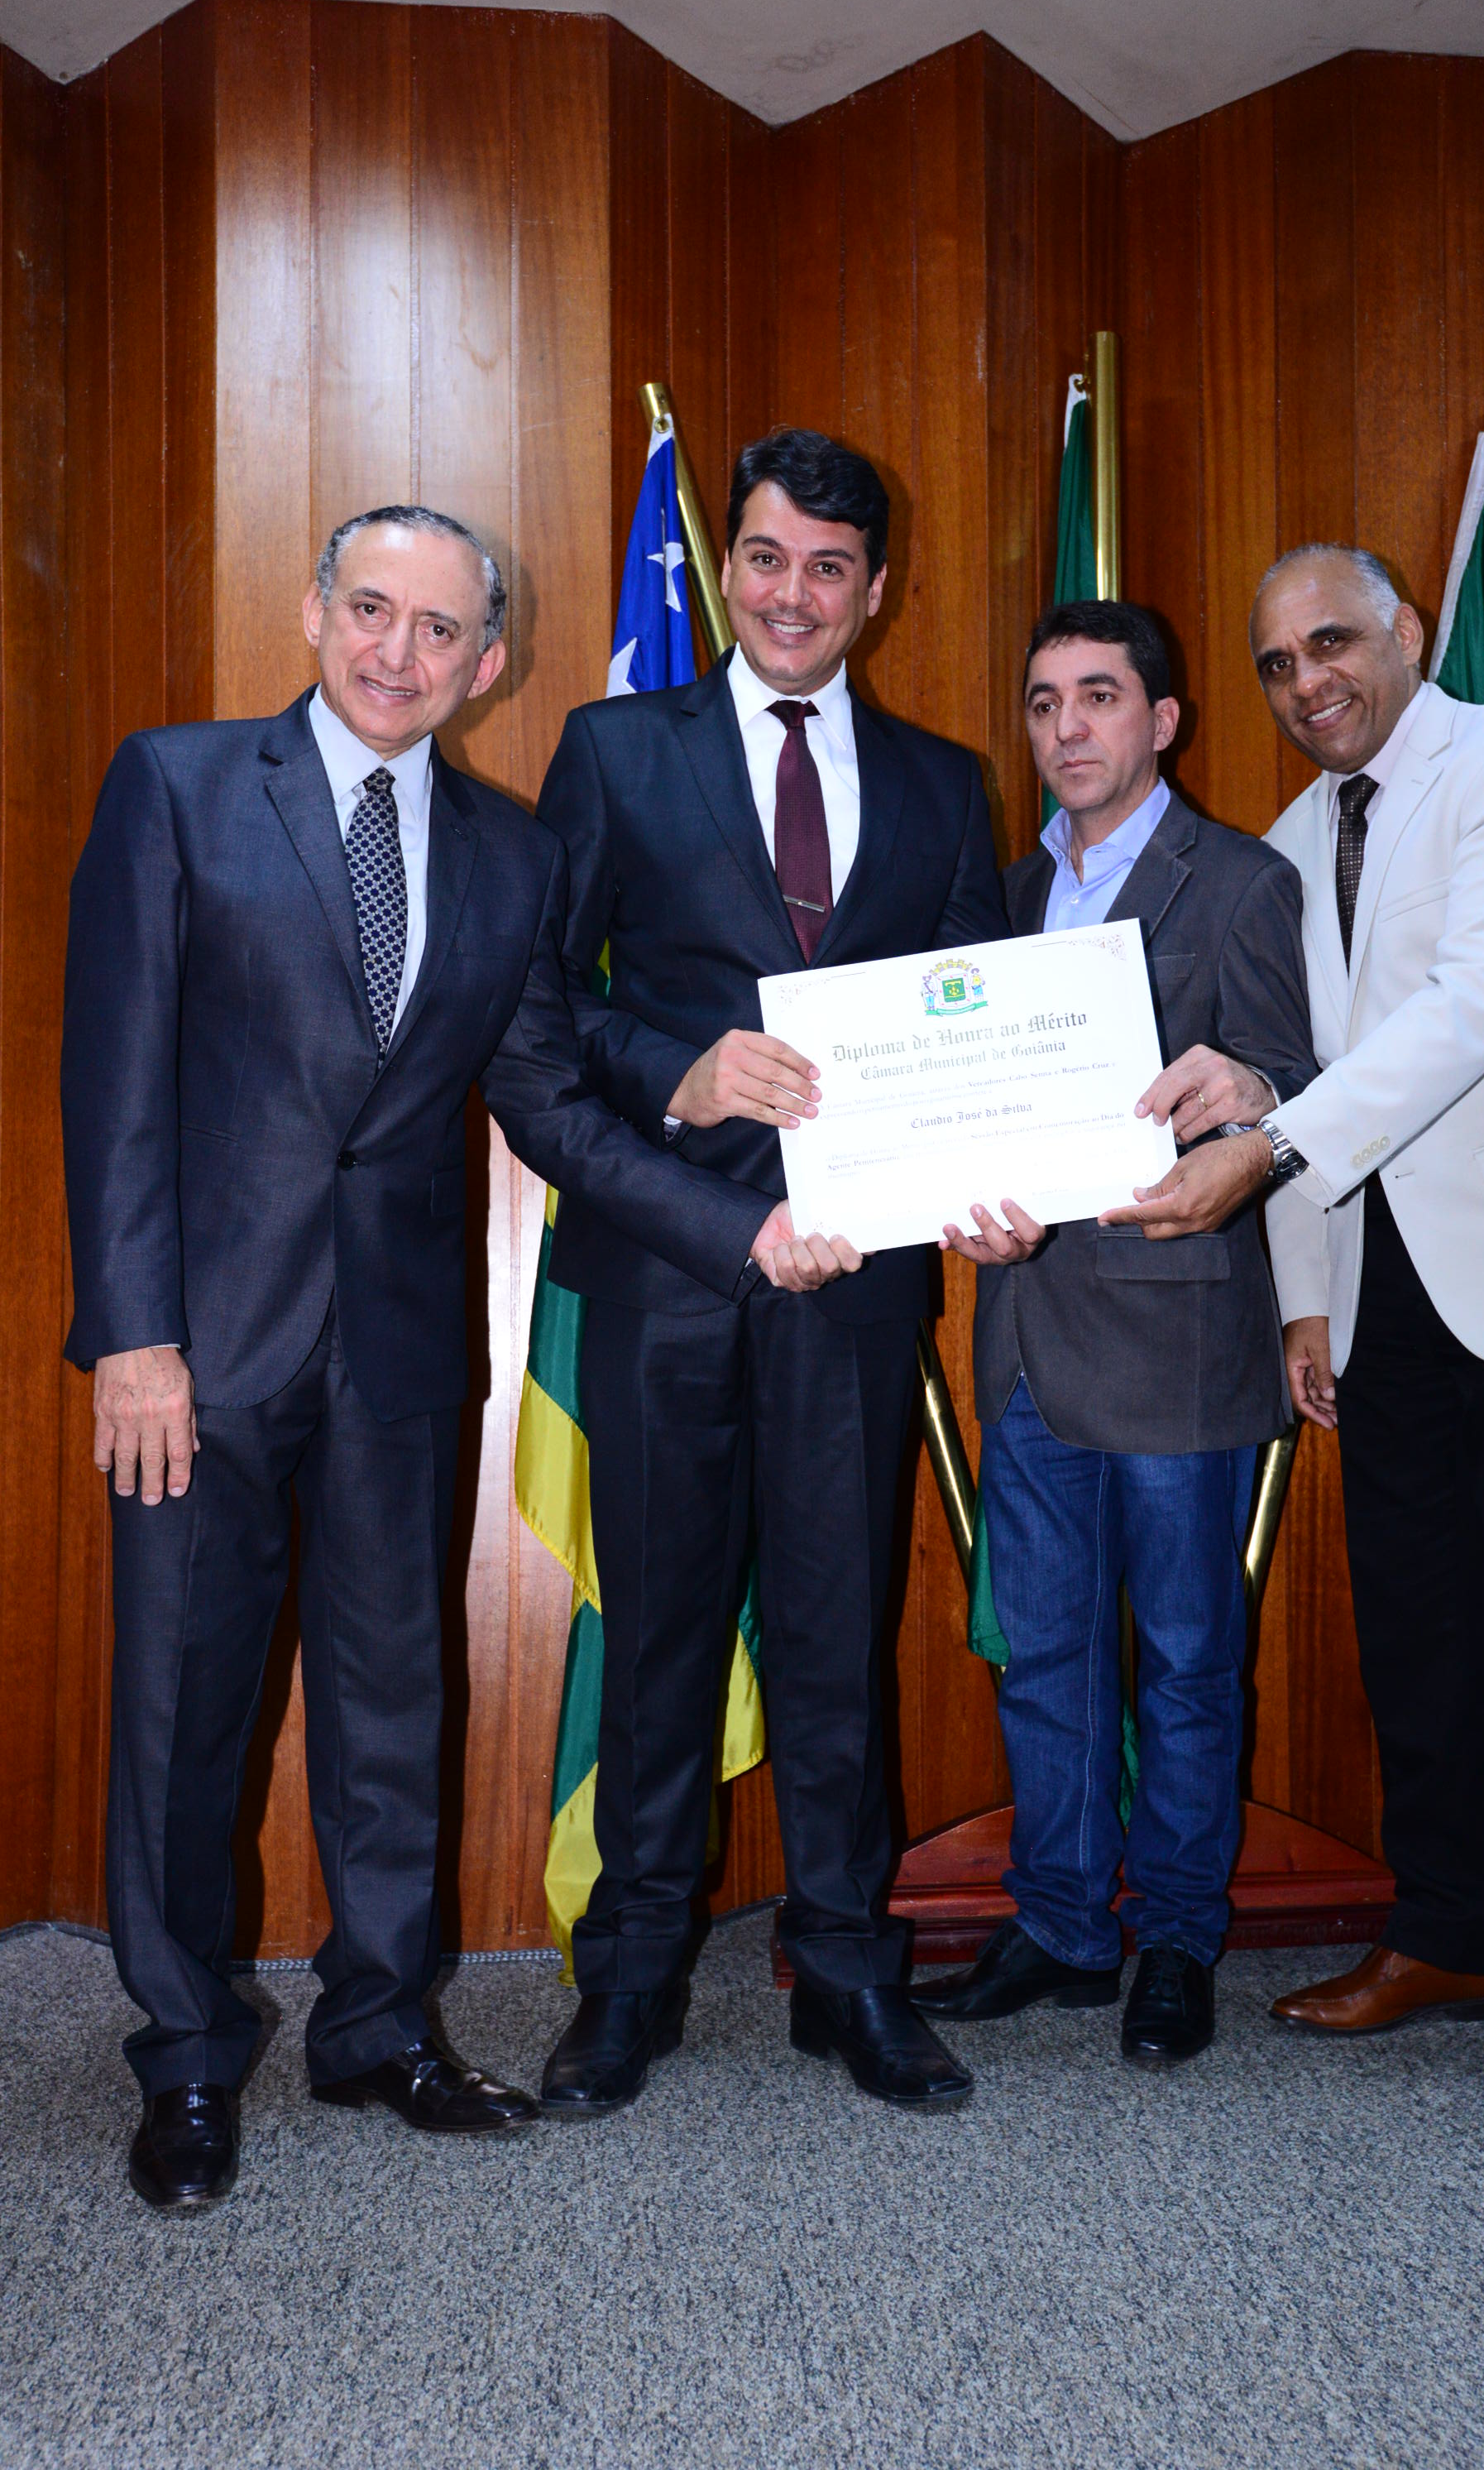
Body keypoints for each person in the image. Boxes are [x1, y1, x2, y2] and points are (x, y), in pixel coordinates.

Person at [62, 505, 803, 2213]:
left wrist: (739, 1231)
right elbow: (115, 1083)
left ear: (488, 662)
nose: (397, 652)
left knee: (395, 1699)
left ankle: (378, 2026)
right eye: (371, 610)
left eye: (439, 629)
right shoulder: (177, 783)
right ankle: (186, 2053)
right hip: (199, 1353)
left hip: (399, 1352)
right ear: (315, 611)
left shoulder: (510, 853)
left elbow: (543, 1099)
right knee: (182, 1708)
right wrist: (136, 1338)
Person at [1107, 542, 1484, 2126]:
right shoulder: (1291, 844)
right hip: (1380, 1290)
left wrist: (1272, 1144)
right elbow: (1294, 1072)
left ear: (1409, 630)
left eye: (1335, 642)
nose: (1311, 683)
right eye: (1279, 666)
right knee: (1414, 1627)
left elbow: (1476, 1006)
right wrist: (1303, 1289)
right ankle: (1445, 1932)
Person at [535, 428, 1008, 2113]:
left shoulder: (946, 784)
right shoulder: (613, 749)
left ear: (875, 591)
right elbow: (538, 1013)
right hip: (668, 1267)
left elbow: (980, 1032)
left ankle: (848, 1972)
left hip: (860, 1284)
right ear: (725, 566)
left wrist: (995, 1183)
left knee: (834, 1638)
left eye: (827, 566)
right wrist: (682, 1069)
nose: (790, 593)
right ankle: (631, 1976)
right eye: (762, 557)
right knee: (661, 1632)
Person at [911, 599, 1315, 2062]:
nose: (1067, 726)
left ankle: (1178, 1939)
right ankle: (1066, 1925)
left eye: (1099, 696)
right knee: (1048, 1659)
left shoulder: (1244, 881)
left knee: (1189, 1662)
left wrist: (1250, 1097)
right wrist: (955, 1200)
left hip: (1177, 1337)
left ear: (1164, 721)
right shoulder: (1007, 894)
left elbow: (1298, 1078)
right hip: (1024, 1333)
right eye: (1044, 702)